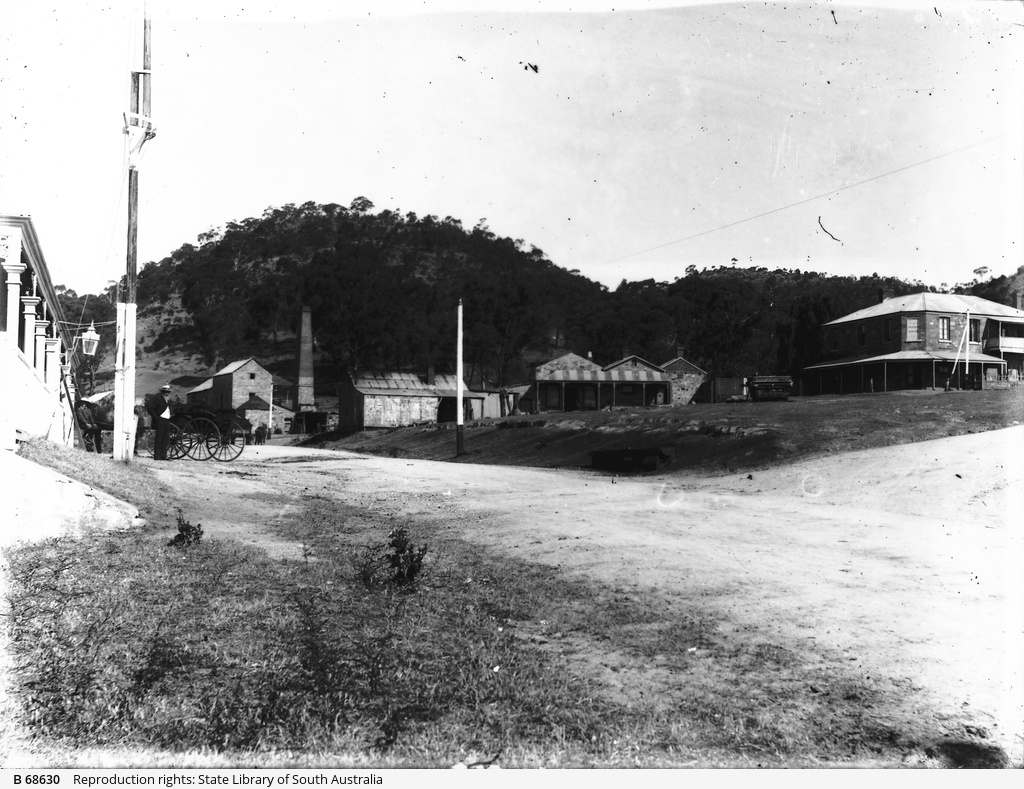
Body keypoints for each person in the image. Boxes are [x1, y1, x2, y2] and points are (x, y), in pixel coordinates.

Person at [147, 383, 173, 460]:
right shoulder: (158, 399)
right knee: (159, 438)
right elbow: (150, 409)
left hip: (167, 420)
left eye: (168, 392)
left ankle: (163, 455)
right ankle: (157, 456)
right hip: (160, 420)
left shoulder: (168, 400)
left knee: (165, 438)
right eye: (165, 392)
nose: (167, 393)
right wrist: (157, 418)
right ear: (162, 392)